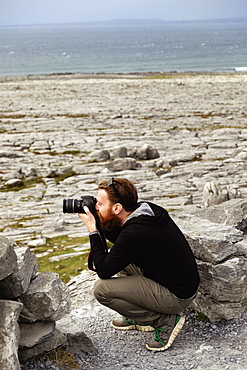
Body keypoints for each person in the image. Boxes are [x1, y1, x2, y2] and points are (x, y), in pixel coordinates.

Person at [78, 177, 200, 352]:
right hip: (177, 281)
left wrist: (93, 230)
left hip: (176, 296)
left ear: (117, 208)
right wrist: (100, 219)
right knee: (118, 260)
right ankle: (137, 315)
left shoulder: (136, 232)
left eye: (99, 204)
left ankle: (164, 321)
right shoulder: (145, 212)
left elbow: (103, 270)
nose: (95, 207)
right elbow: (119, 239)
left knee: (101, 290)